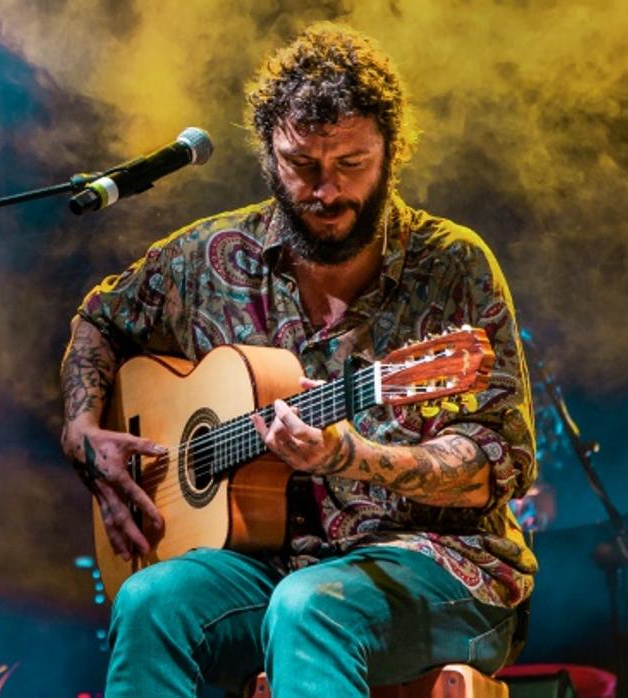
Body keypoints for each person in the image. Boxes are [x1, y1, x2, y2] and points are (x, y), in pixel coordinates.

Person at [59, 22, 537, 698]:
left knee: (310, 607)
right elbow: (100, 319)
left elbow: (495, 464)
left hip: (444, 568)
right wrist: (82, 429)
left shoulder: (453, 263)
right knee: (150, 601)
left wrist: (353, 457)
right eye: (301, 164)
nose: (326, 191)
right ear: (269, 155)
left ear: (391, 154)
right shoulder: (210, 255)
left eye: (351, 165)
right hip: (267, 564)